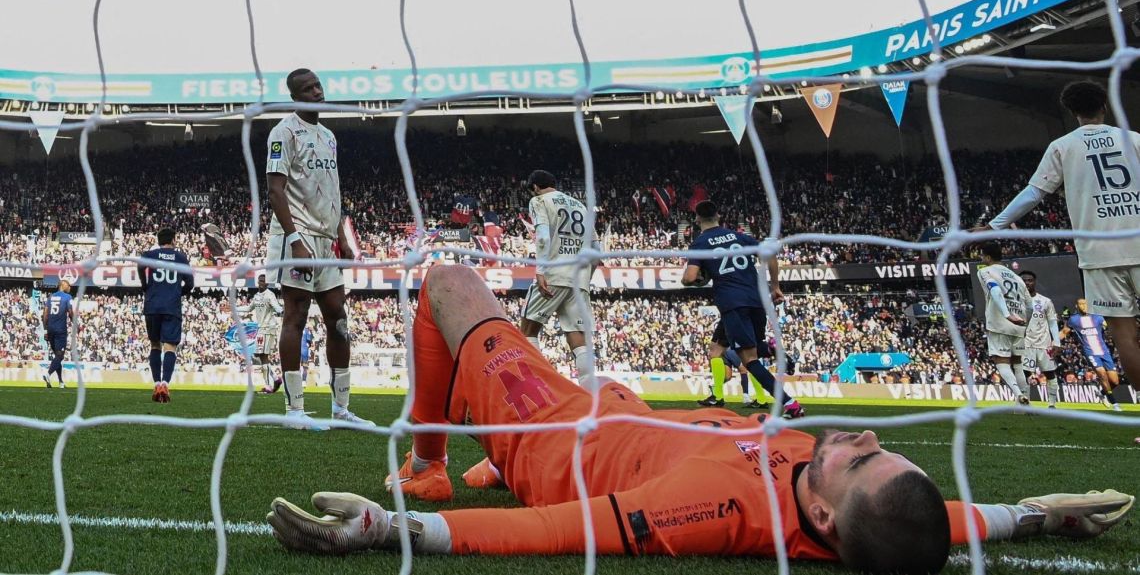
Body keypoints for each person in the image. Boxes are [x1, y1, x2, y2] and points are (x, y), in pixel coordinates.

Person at [268, 265, 1134, 574]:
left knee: (448, 284)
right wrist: (1036, 514)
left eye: (861, 459)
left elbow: (556, 531)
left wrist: (397, 527)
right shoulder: (863, 513)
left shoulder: (714, 508)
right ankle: (477, 456)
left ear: (824, 514)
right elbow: (936, 521)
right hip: (630, 413)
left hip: (554, 435)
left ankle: (430, 461)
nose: (868, 438)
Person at [980, 81, 1140, 389]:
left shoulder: (1062, 146)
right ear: (1104, 106)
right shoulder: (1132, 139)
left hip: (1099, 255)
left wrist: (994, 226)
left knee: (1124, 335)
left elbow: (1034, 193)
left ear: (1071, 111)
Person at [265, 68, 371, 430]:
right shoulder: (283, 132)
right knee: (295, 315)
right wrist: (294, 240)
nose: (317, 92)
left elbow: (332, 188)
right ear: (295, 96)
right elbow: (276, 189)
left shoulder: (328, 135)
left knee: (338, 318)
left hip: (326, 239)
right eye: (308, 89)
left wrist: (341, 234)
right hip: (297, 236)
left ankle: (341, 409)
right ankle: (294, 410)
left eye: (318, 86)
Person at [681, 200, 803, 418]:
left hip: (732, 303)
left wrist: (693, 279)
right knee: (716, 350)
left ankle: (790, 405)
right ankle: (717, 395)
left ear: (697, 219)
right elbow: (770, 254)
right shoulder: (739, 236)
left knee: (750, 359)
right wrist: (775, 288)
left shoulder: (700, 243)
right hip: (756, 300)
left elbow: (690, 277)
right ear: (718, 215)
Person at [519, 169, 600, 384]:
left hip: (554, 272)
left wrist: (540, 270)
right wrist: (586, 279)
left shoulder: (539, 201)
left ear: (535, 187)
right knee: (577, 336)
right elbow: (596, 249)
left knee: (527, 330)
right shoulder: (581, 206)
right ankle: (590, 391)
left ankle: (536, 384)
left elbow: (544, 237)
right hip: (579, 278)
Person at [137, 227, 194, 403]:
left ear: (159, 240)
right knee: (170, 346)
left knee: (155, 345)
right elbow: (190, 283)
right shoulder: (180, 257)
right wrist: (178, 292)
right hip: (172, 307)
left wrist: (145, 285)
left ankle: (156, 384)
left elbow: (140, 265)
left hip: (152, 305)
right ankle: (165, 384)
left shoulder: (149, 255)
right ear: (174, 240)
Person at [976, 243, 1031, 406]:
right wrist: (1025, 322)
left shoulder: (985, 271)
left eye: (981, 255)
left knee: (1002, 362)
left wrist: (1007, 315)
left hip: (1000, 323)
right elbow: (1030, 304)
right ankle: (1026, 403)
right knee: (1018, 364)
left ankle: (1018, 395)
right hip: (1020, 325)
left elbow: (995, 290)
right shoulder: (1018, 278)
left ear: (987, 257)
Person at [1060, 299, 1123, 412]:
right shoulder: (1074, 320)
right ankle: (1115, 403)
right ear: (1077, 306)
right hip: (1090, 352)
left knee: (1115, 381)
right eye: (1081, 304)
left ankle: (1102, 393)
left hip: (1104, 351)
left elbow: (1109, 326)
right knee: (1102, 374)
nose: (1083, 306)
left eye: (1085, 304)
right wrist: (1053, 344)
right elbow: (1064, 332)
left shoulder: (1097, 317)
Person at [1017, 271, 1062, 408]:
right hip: (1025, 343)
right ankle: (1025, 405)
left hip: (1044, 343)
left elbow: (1053, 322)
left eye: (1030, 280)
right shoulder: (1015, 301)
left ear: (1034, 282)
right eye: (1024, 280)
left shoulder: (1045, 301)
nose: (1027, 283)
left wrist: (1057, 342)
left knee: (1049, 373)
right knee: (1024, 373)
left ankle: (1052, 405)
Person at [698, 323, 766, 409]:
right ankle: (761, 399)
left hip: (732, 318)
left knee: (715, 352)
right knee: (750, 358)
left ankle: (718, 397)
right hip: (750, 319)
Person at [248, 274, 284, 387]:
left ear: (267, 283)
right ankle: (275, 378)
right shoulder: (257, 296)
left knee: (262, 355)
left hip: (268, 328)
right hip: (260, 329)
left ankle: (269, 385)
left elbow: (277, 308)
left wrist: (283, 310)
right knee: (258, 355)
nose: (261, 283)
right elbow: (249, 308)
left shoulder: (270, 295)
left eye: (263, 281)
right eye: (260, 281)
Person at [40, 280, 73, 389]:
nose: (70, 287)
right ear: (63, 285)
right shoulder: (67, 297)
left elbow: (45, 315)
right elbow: (70, 311)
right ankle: (48, 374)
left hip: (50, 329)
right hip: (60, 330)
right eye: (69, 285)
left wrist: (45, 331)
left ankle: (60, 382)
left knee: (57, 356)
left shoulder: (50, 297)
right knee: (60, 355)